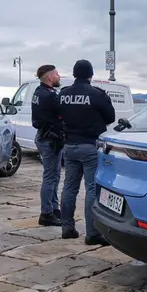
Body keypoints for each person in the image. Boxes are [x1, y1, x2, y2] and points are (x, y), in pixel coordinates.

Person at [58, 59, 116, 245]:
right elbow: (110, 117)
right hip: (90, 146)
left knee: (69, 187)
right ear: (90, 74)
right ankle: (92, 232)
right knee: (91, 188)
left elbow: (58, 114)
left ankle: (67, 227)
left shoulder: (63, 94)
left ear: (74, 74)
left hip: (70, 145)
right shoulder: (97, 94)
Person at [31, 64, 65, 227]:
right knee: (51, 177)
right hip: (50, 139)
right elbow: (62, 113)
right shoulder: (51, 96)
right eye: (57, 74)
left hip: (44, 137)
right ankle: (46, 213)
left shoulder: (38, 92)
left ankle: (54, 208)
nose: (59, 77)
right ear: (50, 77)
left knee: (54, 175)